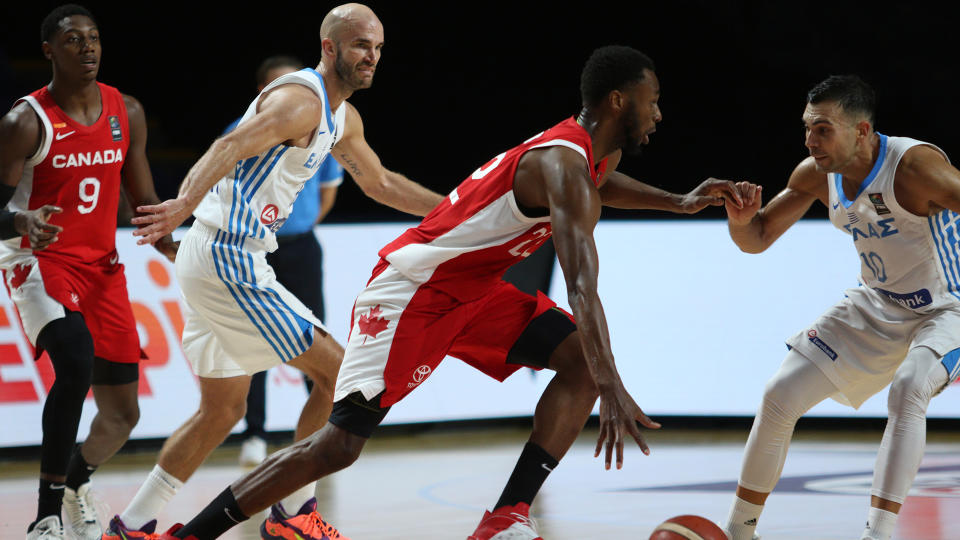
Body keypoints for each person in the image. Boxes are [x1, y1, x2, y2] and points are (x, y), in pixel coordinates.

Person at [154, 45, 745, 540]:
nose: (660, 112)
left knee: (577, 363)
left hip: (475, 290)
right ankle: (191, 535)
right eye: (653, 100)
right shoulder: (563, 166)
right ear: (619, 101)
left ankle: (505, 516)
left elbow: (603, 182)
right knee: (336, 447)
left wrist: (680, 200)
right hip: (414, 291)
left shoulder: (589, 155)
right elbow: (583, 286)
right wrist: (615, 382)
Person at [102, 4, 443, 539]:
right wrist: (181, 203)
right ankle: (294, 514)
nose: (371, 57)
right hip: (227, 256)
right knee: (341, 375)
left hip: (219, 254)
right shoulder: (300, 101)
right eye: (360, 45)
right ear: (329, 47)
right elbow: (231, 143)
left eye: (377, 47)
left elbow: (380, 183)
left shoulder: (343, 118)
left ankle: (131, 525)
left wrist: (456, 209)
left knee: (222, 410)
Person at [720, 75, 960, 540]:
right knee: (779, 395)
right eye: (808, 128)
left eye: (823, 129)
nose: (811, 140)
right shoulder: (814, 173)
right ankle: (738, 531)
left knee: (909, 389)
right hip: (877, 303)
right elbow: (758, 239)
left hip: (948, 307)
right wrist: (740, 221)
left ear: (862, 131)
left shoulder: (915, 168)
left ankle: (879, 534)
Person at [0, 4, 177, 539]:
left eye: (94, 38)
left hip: (103, 269)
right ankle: (45, 515)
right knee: (75, 363)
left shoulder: (128, 112)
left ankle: (76, 485)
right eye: (73, 40)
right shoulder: (24, 121)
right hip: (39, 260)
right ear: (49, 50)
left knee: (124, 416)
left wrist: (173, 242)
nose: (88, 47)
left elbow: (142, 199)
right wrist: (22, 220)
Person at [223, 55, 345, 467]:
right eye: (280, 86)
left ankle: (322, 434)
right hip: (250, 251)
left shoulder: (319, 129)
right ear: (262, 93)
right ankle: (254, 434)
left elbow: (328, 189)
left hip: (301, 248)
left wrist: (303, 222)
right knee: (255, 345)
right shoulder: (238, 133)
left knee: (317, 339)